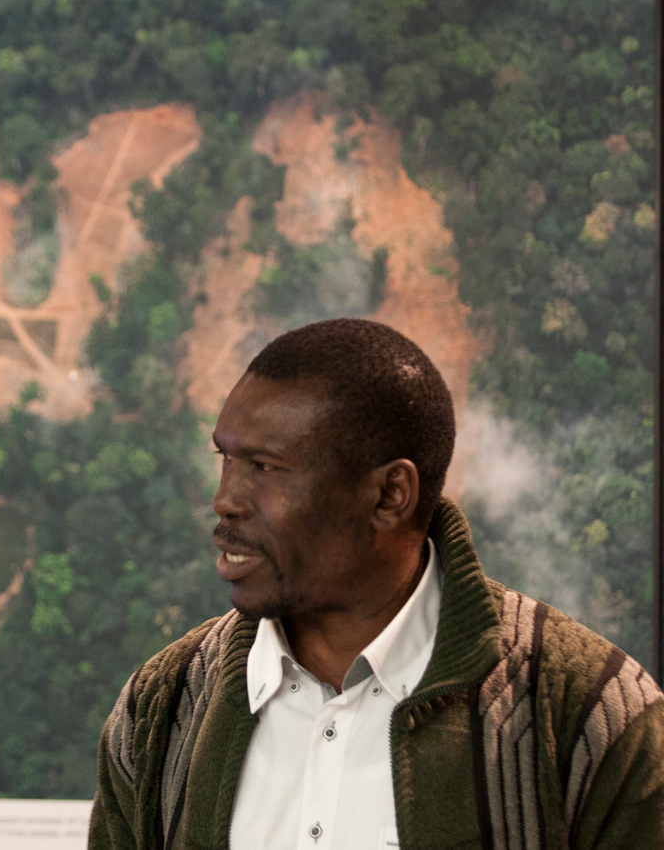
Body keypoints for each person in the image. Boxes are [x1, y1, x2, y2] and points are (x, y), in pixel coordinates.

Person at [89, 318, 664, 850]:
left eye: (264, 467)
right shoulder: (159, 712)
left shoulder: (589, 715)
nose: (225, 500)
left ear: (391, 495)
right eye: (226, 459)